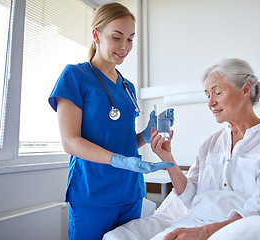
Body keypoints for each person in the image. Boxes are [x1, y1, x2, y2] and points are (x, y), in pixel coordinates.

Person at [149, 58, 260, 240]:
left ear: (245, 90)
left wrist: (204, 233)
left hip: (256, 229)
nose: (211, 103)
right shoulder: (209, 144)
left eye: (217, 92)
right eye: (208, 95)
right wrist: (167, 158)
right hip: (202, 222)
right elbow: (191, 198)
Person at [48, 3, 174, 240]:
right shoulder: (75, 76)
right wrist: (119, 161)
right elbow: (70, 142)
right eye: (117, 37)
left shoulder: (128, 88)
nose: (125, 47)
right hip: (93, 193)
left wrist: (146, 135)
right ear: (96, 34)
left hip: (130, 192)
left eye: (130, 39)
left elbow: (124, 142)